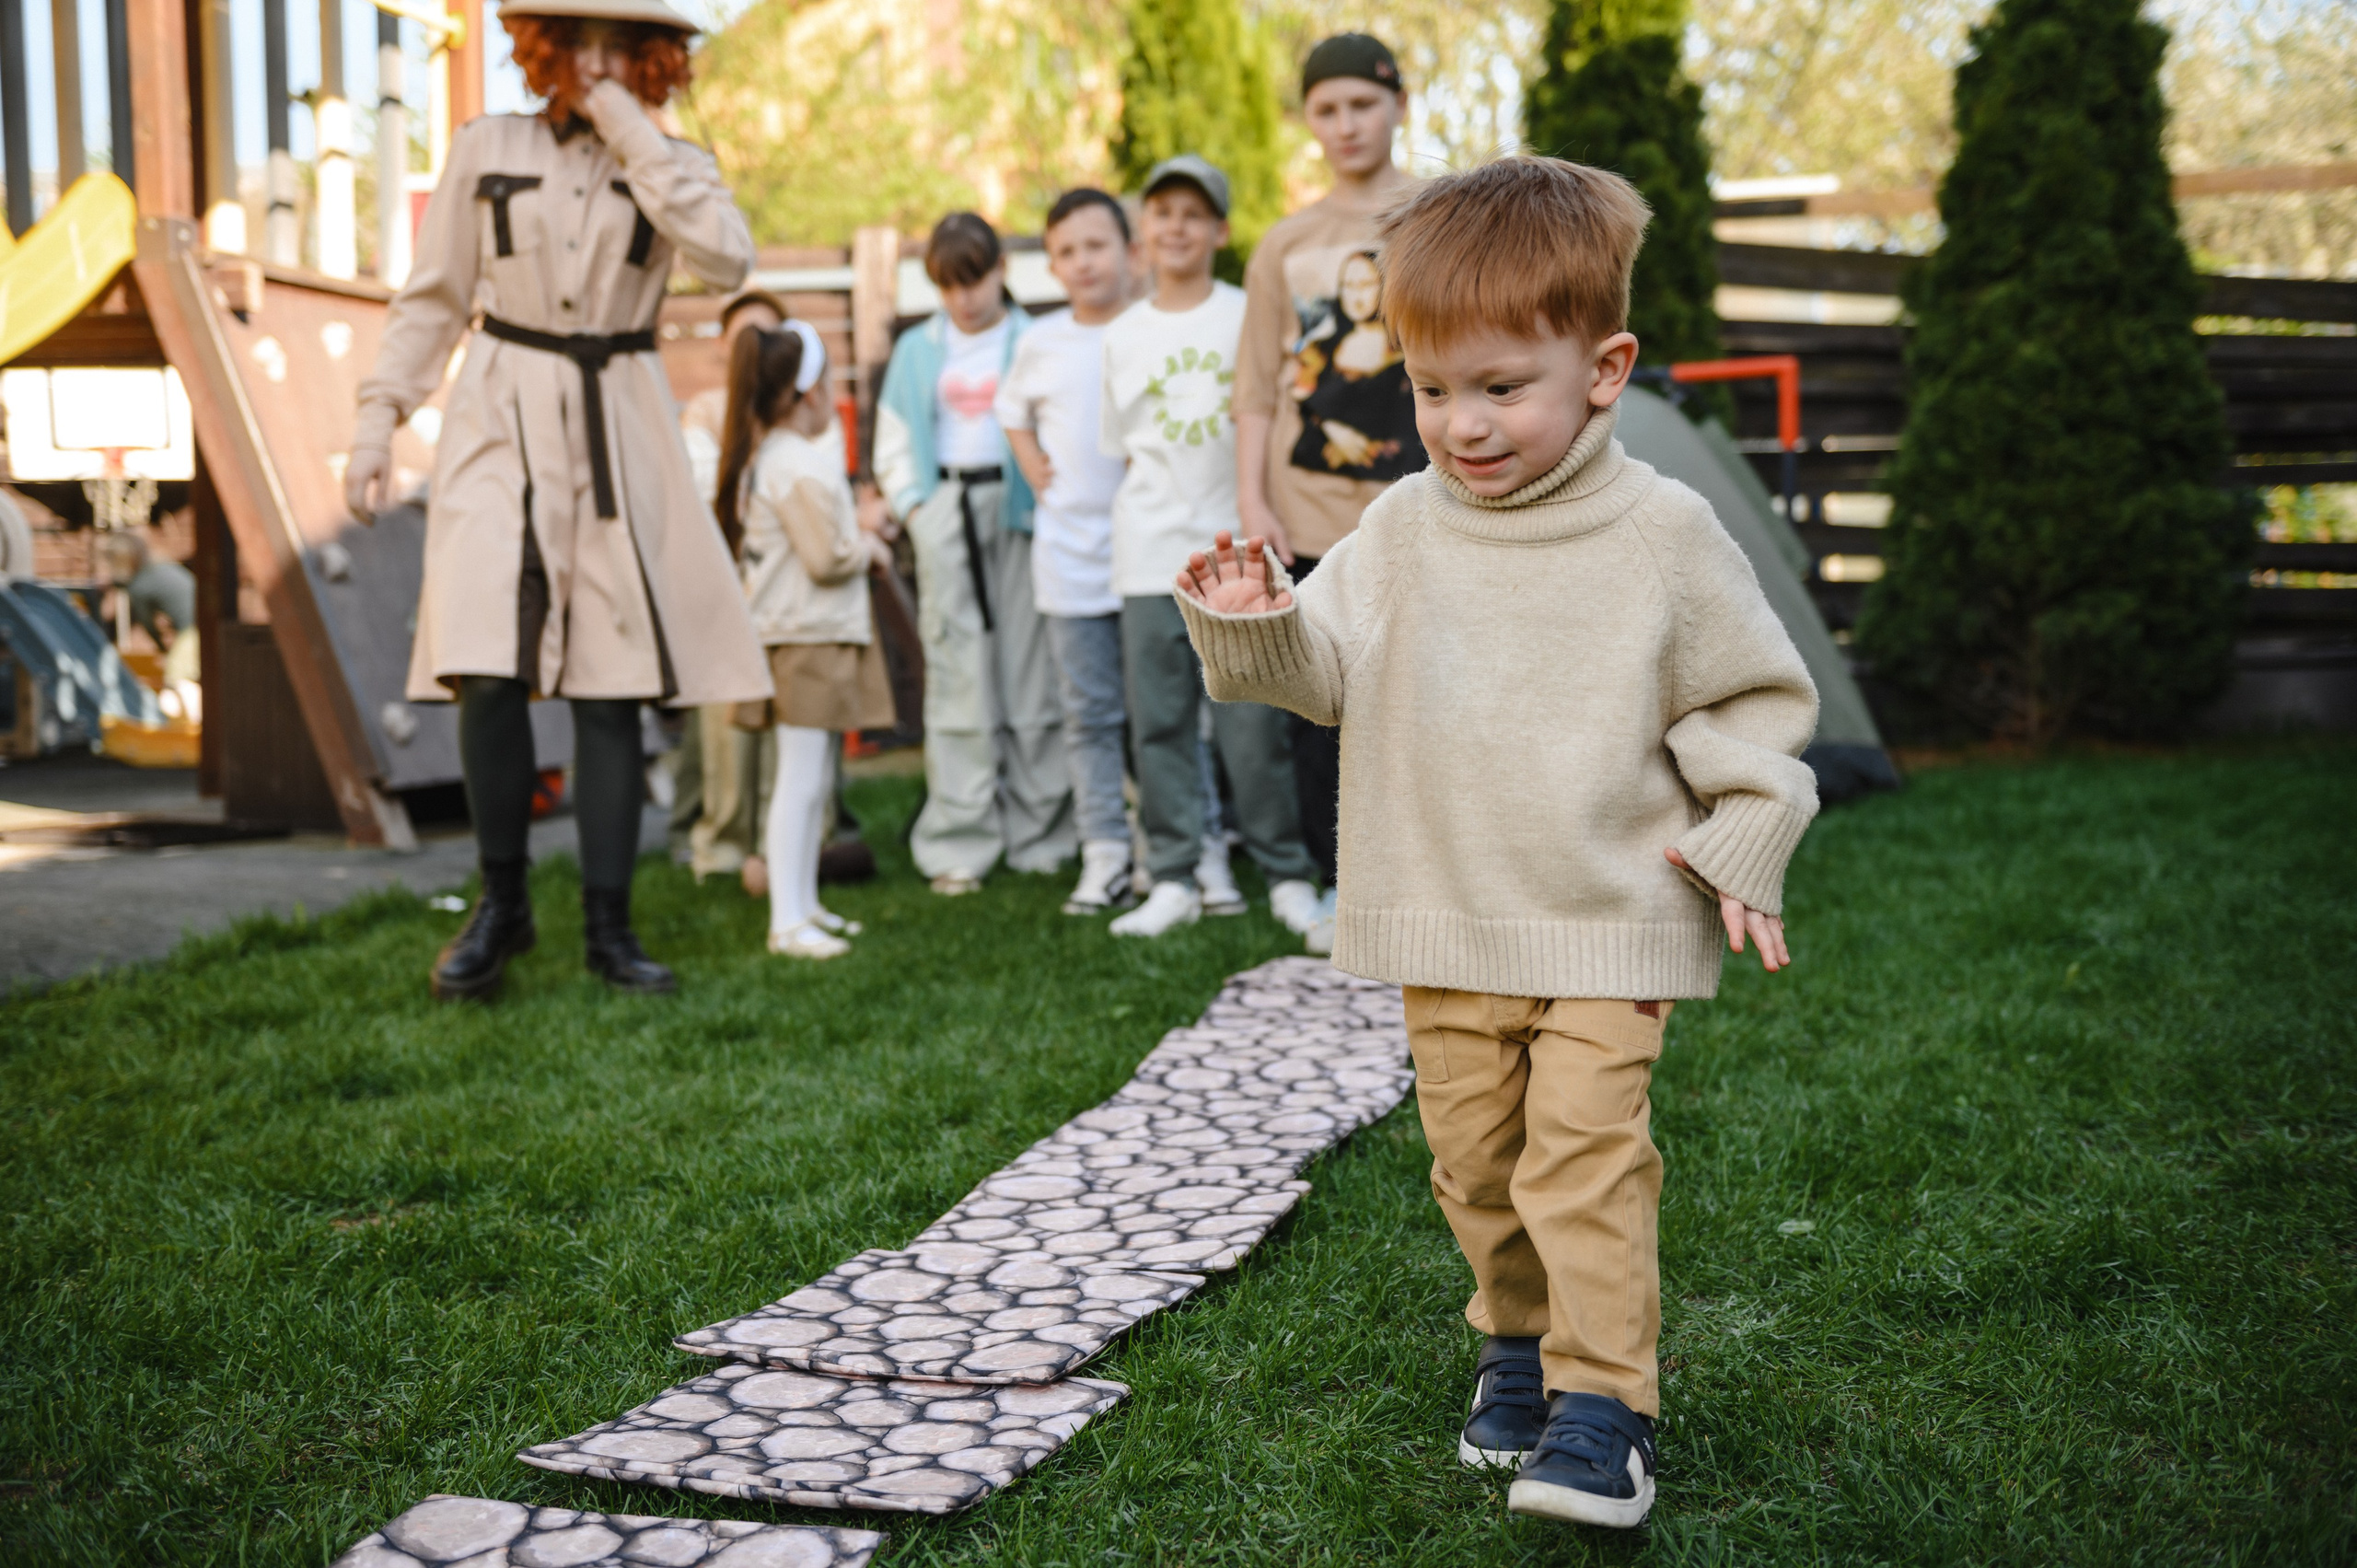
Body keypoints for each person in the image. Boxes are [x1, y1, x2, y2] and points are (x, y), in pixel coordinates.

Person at [1175, 157, 1820, 1529]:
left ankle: (1606, 1408)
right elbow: (1323, 670)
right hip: (1446, 907)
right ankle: (1515, 1345)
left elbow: (1749, 701)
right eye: (1429, 389)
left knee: (1583, 1149)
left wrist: (1749, 825)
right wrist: (1255, 619)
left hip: (1610, 908)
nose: (1459, 425)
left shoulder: (1663, 532)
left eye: (1499, 387)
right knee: (1476, 1158)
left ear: (1605, 367)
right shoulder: (1399, 528)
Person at [343, 0, 768, 1001]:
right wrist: (378, 418)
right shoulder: (485, 146)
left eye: (619, 41)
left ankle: (610, 929)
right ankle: (503, 903)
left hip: (619, 421)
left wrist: (628, 123)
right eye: (576, 37)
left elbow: (725, 260)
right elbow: (434, 297)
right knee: (482, 660)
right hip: (497, 413)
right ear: (541, 46)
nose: (594, 58)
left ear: (653, 55)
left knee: (612, 685)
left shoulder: (675, 164)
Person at [1099, 156, 1321, 942]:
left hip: (1236, 549)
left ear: (1221, 231)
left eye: (1194, 214)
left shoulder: (1243, 313)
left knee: (1252, 723)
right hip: (1146, 552)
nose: (1176, 227)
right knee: (1157, 721)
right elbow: (1122, 449)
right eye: (1162, 213)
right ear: (1144, 230)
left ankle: (1288, 874)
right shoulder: (1120, 335)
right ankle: (1172, 874)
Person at [1233, 31, 1422, 951]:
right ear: (1308, 121)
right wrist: (1252, 502)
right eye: (1327, 109)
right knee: (1322, 701)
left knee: (1430, 688)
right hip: (1306, 506)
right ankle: (1344, 881)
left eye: (1362, 104)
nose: (1346, 125)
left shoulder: (1443, 216)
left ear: (1397, 105)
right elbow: (1254, 388)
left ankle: (1433, 874)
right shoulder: (1286, 243)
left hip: (1422, 499)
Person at [875, 214, 1074, 895]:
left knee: (1031, 668)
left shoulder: (1035, 339)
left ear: (1000, 272)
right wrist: (916, 510)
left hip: (1022, 513)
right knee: (958, 673)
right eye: (948, 284)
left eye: (974, 279)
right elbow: (895, 437)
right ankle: (959, 840)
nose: (964, 298)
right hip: (946, 513)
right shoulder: (916, 350)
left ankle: (1042, 832)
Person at [714, 320, 896, 958]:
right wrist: (868, 545)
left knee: (812, 777)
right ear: (806, 392)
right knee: (799, 779)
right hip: (805, 636)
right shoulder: (794, 464)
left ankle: (805, 903)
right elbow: (825, 557)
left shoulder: (779, 460)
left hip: (809, 633)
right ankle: (786, 921)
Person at [995, 188, 1139, 915]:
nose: (1083, 263)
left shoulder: (1150, 328)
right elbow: (1011, 411)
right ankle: (1103, 848)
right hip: (1070, 556)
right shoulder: (1041, 342)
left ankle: (1176, 844)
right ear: (1051, 265)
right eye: (1066, 252)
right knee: (1089, 712)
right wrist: (1033, 465)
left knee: (1161, 709)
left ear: (1128, 250)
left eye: (1095, 245)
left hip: (1149, 555)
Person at [675, 287, 787, 888]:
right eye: (745, 334)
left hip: (787, 584)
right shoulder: (707, 410)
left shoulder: (793, 409)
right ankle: (723, 842)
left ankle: (783, 841)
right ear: (724, 344)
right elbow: (698, 491)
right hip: (727, 582)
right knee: (727, 722)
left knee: (787, 714)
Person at [100, 531, 201, 715]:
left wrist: (163, 649)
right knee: (188, 675)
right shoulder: (158, 567)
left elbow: (147, 623)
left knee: (177, 676)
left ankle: (194, 724)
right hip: (201, 623)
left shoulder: (141, 585)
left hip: (192, 629)